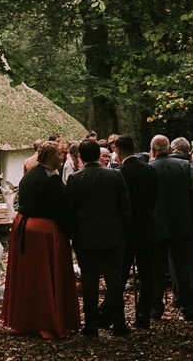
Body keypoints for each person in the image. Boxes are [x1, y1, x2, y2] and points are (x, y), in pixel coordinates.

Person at [1, 141, 79, 338]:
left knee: (28, 277)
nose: (61, 158)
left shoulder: (28, 176)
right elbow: (59, 210)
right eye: (58, 155)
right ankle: (48, 322)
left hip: (23, 228)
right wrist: (73, 231)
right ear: (49, 157)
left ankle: (26, 320)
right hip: (42, 231)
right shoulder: (51, 179)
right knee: (45, 277)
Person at [64, 139, 131, 337]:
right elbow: (125, 207)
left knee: (90, 281)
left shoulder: (76, 179)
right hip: (112, 237)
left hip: (86, 239)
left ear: (80, 157)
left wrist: (74, 235)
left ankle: (91, 325)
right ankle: (119, 323)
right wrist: (123, 232)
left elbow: (70, 210)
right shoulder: (115, 175)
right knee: (115, 281)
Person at [104, 134, 159, 329]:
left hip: (126, 231)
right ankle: (144, 316)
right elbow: (154, 199)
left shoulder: (119, 173)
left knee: (118, 274)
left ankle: (110, 315)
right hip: (147, 227)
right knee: (146, 275)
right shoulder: (150, 170)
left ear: (117, 149)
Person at [149, 134, 193, 321]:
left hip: (157, 227)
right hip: (182, 225)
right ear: (169, 149)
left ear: (153, 151)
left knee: (157, 270)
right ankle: (189, 309)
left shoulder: (149, 169)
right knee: (184, 270)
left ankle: (155, 310)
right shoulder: (184, 166)